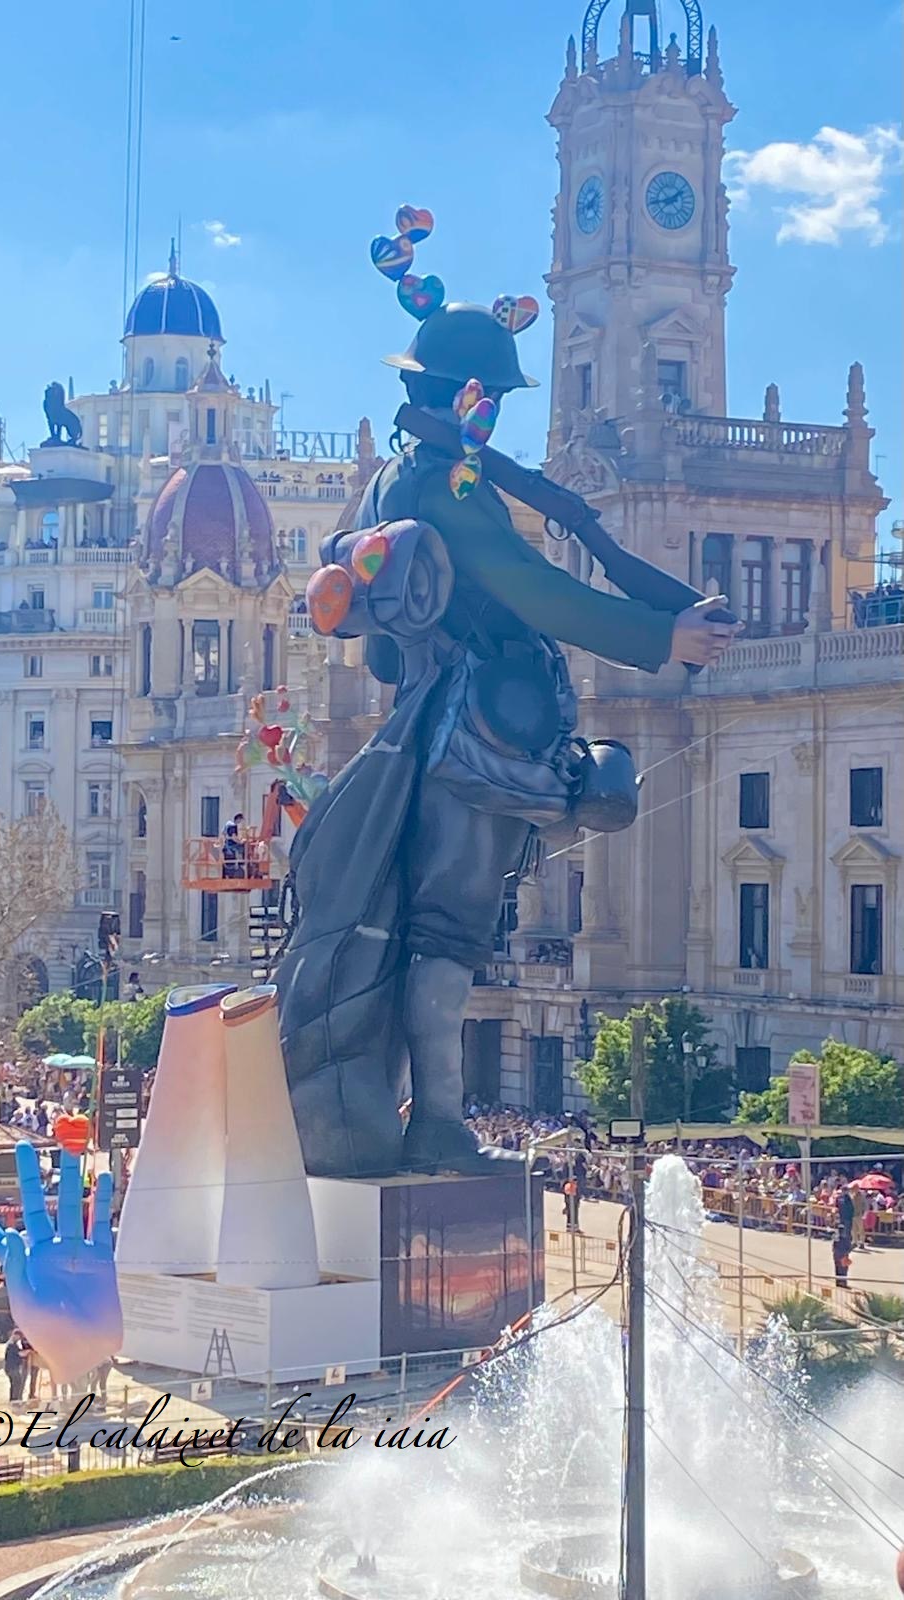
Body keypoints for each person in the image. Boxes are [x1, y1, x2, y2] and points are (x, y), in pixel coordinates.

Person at [277, 297, 740, 1180]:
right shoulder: (446, 484)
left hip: (426, 718)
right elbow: (528, 585)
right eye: (491, 398)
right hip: (476, 730)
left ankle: (412, 1116)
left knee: (425, 928)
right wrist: (661, 637)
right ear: (470, 395)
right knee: (448, 936)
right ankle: (438, 1126)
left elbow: (386, 645)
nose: (493, 413)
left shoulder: (394, 479)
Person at [4, 1330, 28, 1402]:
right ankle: (15, 1400)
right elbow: (20, 1354)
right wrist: (29, 1351)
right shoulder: (12, 1345)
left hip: (9, 1368)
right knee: (17, 1383)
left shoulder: (11, 1344)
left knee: (14, 1384)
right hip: (13, 1368)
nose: (19, 1339)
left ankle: (13, 1400)